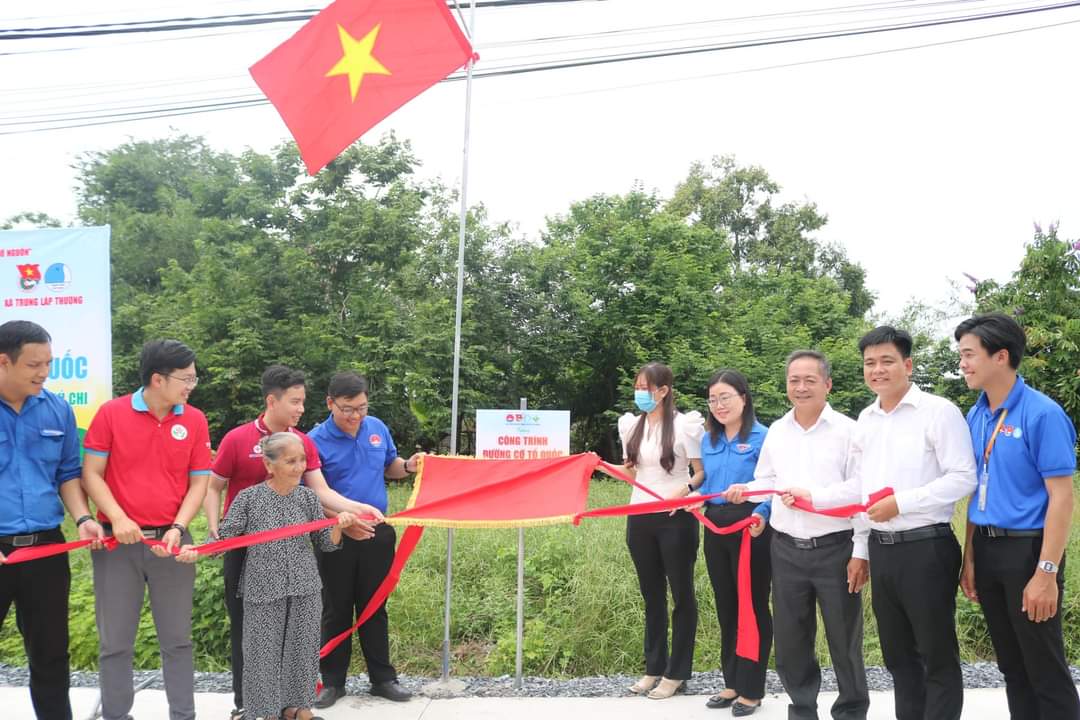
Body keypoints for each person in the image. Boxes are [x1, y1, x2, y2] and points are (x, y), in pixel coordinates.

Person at [785, 327, 976, 720]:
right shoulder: (867, 419)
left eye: (887, 361)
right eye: (870, 363)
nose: (877, 370)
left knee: (935, 654)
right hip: (882, 551)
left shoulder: (938, 412)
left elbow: (963, 477)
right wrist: (817, 502)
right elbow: (861, 488)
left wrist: (901, 503)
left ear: (907, 364)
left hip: (927, 547)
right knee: (898, 657)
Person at [204, 365, 383, 720]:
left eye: (303, 401)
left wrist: (358, 509)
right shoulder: (238, 439)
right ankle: (249, 705)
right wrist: (215, 531)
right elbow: (214, 485)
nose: (301, 408)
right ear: (273, 400)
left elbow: (320, 492)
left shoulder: (304, 442)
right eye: (295, 401)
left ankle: (293, 704)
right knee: (251, 634)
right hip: (245, 550)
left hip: (294, 554)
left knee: (296, 634)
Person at [727, 350, 870, 720]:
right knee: (792, 644)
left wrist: (860, 550)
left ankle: (851, 711)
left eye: (810, 380)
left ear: (827, 384)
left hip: (835, 550)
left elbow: (861, 490)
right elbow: (769, 480)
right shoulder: (777, 430)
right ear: (786, 384)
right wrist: (746, 489)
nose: (801, 387)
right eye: (794, 380)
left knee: (844, 642)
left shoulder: (850, 431)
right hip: (786, 551)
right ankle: (803, 710)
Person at [183, 432, 359, 720]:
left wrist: (339, 525)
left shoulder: (307, 498)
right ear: (269, 465)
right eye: (291, 461)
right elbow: (225, 539)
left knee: (303, 649)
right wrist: (197, 551)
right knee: (261, 653)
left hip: (305, 586)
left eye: (302, 459)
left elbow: (325, 543)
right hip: (262, 587)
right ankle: (263, 712)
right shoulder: (249, 498)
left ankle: (298, 708)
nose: (299, 467)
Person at [954, 312, 1079, 719]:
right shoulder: (976, 415)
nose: (963, 364)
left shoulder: (1042, 414)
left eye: (970, 355)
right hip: (987, 549)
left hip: (1028, 552)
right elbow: (976, 488)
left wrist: (1046, 572)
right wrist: (969, 557)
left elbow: (1062, 498)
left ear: (1001, 356)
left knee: (1044, 667)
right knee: (1011, 666)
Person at [82, 339, 212, 720]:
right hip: (116, 544)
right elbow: (92, 473)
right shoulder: (111, 414)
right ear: (158, 379)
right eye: (186, 378)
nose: (191, 385)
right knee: (115, 643)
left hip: (171, 544)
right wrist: (119, 518)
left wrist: (178, 527)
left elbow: (198, 482)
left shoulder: (193, 419)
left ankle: (182, 715)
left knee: (177, 640)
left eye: (194, 378)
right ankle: (117, 715)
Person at [0, 320, 104, 720]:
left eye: (48, 363)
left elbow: (66, 474)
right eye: (33, 364)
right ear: (4, 362)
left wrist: (82, 519)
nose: (43, 372)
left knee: (50, 653)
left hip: (45, 548)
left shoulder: (57, 408)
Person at [309, 371, 421, 707]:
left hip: (378, 531)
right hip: (335, 532)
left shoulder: (377, 428)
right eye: (347, 409)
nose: (355, 416)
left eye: (361, 407)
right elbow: (312, 495)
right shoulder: (313, 439)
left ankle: (383, 679)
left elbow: (391, 466)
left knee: (375, 606)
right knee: (335, 607)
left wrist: (410, 466)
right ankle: (332, 682)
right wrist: (341, 521)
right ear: (330, 403)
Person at [618, 361, 704, 700]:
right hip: (639, 518)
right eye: (637, 387)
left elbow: (700, 473)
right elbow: (630, 471)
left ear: (664, 391)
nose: (640, 393)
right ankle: (654, 667)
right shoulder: (631, 426)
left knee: (681, 594)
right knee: (651, 595)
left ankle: (677, 672)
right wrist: (592, 463)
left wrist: (684, 491)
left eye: (646, 388)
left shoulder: (685, 426)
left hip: (676, 518)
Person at [686, 369, 770, 716]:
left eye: (726, 397)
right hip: (716, 527)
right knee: (726, 605)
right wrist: (696, 497)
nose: (719, 405)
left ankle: (752, 689)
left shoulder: (765, 436)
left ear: (744, 398)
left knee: (752, 606)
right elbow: (711, 485)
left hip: (751, 526)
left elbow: (773, 483)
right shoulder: (710, 439)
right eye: (713, 399)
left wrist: (762, 513)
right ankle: (732, 681)